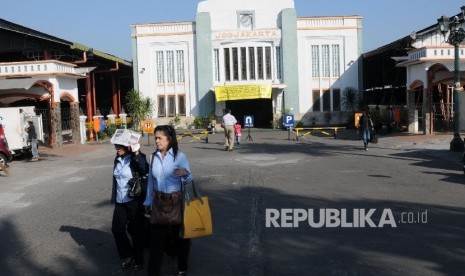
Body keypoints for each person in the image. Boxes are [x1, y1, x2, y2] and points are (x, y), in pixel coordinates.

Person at [144, 125, 193, 276]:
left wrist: (185, 173)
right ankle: (153, 272)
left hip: (176, 202)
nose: (157, 141)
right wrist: (148, 201)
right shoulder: (153, 157)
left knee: (181, 238)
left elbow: (190, 178)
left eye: (159, 138)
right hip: (159, 203)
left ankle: (182, 267)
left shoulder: (179, 156)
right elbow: (151, 182)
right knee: (156, 242)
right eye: (155, 138)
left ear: (169, 139)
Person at [111, 142, 149, 271]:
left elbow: (144, 169)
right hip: (120, 200)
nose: (117, 149)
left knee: (135, 231)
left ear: (127, 147)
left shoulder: (136, 157)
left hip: (134, 200)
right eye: (116, 146)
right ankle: (127, 254)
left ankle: (139, 259)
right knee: (117, 229)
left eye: (119, 147)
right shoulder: (117, 159)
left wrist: (137, 152)